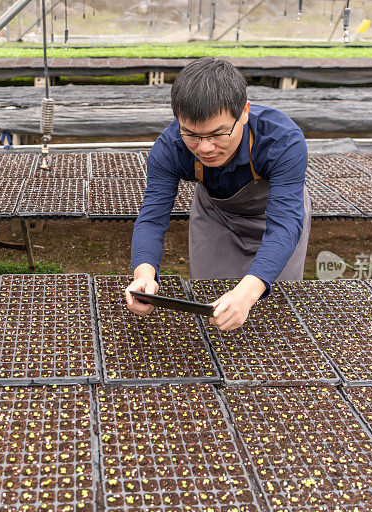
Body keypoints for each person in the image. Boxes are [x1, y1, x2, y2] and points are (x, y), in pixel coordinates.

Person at [124, 57, 311, 331]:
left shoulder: (282, 141)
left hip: (276, 216)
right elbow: (152, 218)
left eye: (218, 134)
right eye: (192, 135)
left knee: (271, 312)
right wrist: (144, 274)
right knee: (213, 308)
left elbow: (284, 226)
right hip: (216, 216)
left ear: (244, 112)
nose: (205, 148)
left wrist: (246, 293)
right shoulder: (170, 147)